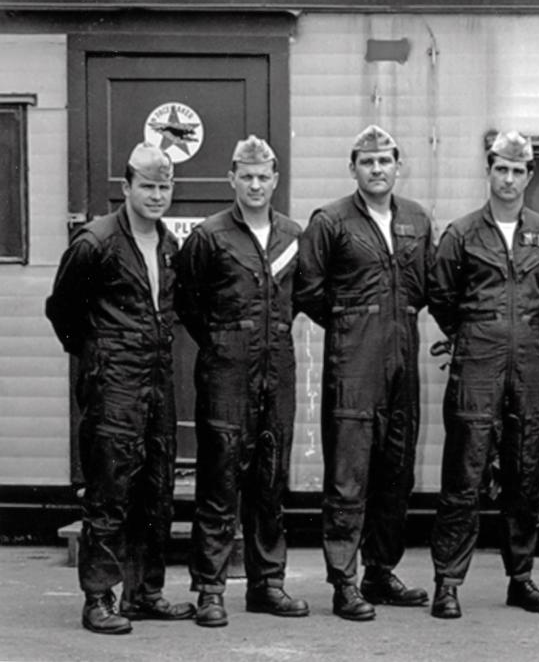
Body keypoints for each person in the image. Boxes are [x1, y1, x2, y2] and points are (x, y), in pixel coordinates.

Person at [45, 143, 197, 635]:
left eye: (164, 186)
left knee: (156, 488)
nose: (157, 195)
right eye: (148, 186)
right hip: (113, 383)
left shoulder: (169, 244)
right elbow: (62, 310)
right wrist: (97, 355)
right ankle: (98, 598)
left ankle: (144, 592)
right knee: (110, 490)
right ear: (126, 186)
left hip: (157, 380)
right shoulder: (96, 241)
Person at [295, 124, 434, 622]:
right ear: (353, 168)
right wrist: (352, 320)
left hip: (402, 363)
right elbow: (308, 290)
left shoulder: (417, 219)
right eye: (367, 162)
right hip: (352, 366)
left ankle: (379, 572)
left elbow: (426, 284)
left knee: (396, 473)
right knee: (349, 476)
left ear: (398, 165)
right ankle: (343, 581)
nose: (377, 170)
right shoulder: (330, 221)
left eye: (385, 161)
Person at [175, 136, 309, 627]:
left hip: (278, 372)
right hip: (226, 374)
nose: (255, 185)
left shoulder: (294, 235)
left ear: (275, 179)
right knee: (219, 481)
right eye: (246, 176)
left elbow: (308, 293)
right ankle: (210, 589)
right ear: (231, 179)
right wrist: (223, 342)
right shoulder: (210, 236)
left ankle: (266, 584)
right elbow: (187, 303)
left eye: (263, 176)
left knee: (270, 482)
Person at [426, 131, 539, 619]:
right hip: (476, 362)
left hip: (527, 360)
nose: (508, 178)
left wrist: (520, 331)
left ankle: (520, 578)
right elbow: (441, 298)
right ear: (489, 170)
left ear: (529, 175)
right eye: (500, 169)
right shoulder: (461, 234)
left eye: (518, 170)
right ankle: (448, 582)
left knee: (524, 473)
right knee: (463, 474)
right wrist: (479, 333)